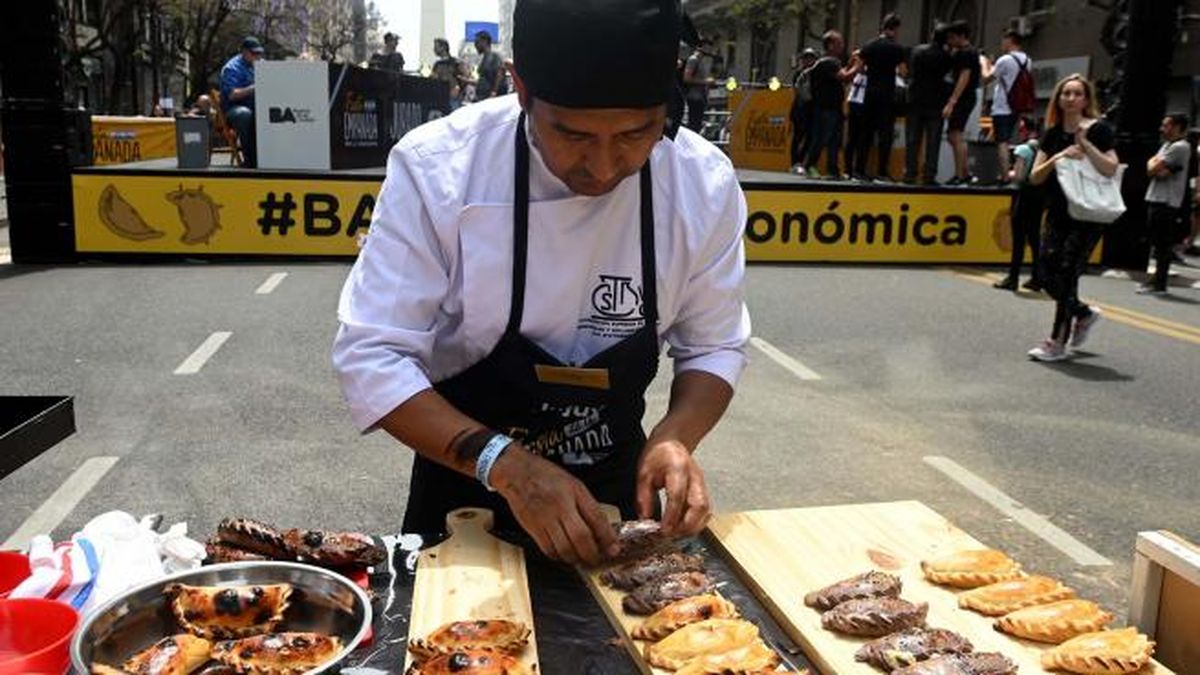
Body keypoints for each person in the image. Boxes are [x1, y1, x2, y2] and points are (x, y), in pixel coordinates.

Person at [331, 0, 750, 565]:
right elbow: (372, 355)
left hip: (616, 492)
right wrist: (505, 465)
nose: (603, 167)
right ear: (520, 88)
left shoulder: (701, 182)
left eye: (635, 134)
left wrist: (676, 436)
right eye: (573, 135)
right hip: (465, 491)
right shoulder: (440, 168)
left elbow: (714, 343)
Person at [1026, 74, 1119, 362]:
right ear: (1058, 98)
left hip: (1088, 213)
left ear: (1086, 99)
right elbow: (1034, 176)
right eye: (1065, 93)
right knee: (1045, 272)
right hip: (1058, 211)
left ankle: (1056, 341)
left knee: (1066, 274)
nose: (1070, 98)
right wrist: (1060, 157)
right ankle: (1083, 312)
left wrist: (1086, 147)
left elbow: (1111, 168)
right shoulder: (1052, 133)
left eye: (1077, 93)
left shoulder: (1099, 130)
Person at [1137, 113, 1192, 295]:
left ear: (1177, 127)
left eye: (1166, 125)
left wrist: (1155, 166)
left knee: (1162, 244)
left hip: (1166, 201)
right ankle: (1156, 280)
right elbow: (1151, 168)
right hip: (1156, 197)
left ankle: (1160, 283)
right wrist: (1155, 166)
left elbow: (1154, 168)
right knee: (1156, 242)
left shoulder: (1180, 147)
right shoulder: (1167, 145)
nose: (1162, 129)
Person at [994, 124, 1045, 291]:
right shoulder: (1043, 151)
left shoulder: (1023, 150)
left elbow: (1019, 175)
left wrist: (1009, 173)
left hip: (1023, 196)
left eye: (1022, 129)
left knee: (1019, 239)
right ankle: (1038, 276)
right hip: (1039, 196)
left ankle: (1013, 277)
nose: (1020, 131)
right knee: (1035, 238)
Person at [856, 13, 906, 180]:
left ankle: (860, 170)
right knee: (885, 135)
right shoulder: (897, 48)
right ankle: (882, 172)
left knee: (865, 133)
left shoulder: (869, 46)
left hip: (869, 94)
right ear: (895, 28)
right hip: (887, 95)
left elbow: (859, 69)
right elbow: (903, 71)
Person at [803, 32, 857, 178]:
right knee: (821, 138)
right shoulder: (829, 62)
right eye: (839, 43)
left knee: (834, 140)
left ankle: (833, 170)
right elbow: (845, 76)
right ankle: (809, 165)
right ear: (831, 45)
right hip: (826, 108)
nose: (842, 46)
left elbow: (842, 74)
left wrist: (851, 63)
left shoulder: (829, 63)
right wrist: (859, 65)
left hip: (833, 108)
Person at [982, 30, 1034, 181]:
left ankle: (1005, 175)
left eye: (1003, 40)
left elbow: (986, 78)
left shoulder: (1005, 59)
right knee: (1009, 139)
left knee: (1002, 142)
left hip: (1002, 107)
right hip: (1017, 106)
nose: (1002, 44)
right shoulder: (1027, 60)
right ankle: (1011, 172)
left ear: (1010, 40)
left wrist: (984, 63)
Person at [904, 23, 951, 184]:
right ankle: (929, 175)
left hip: (915, 100)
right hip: (935, 103)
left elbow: (910, 71)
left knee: (912, 139)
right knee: (933, 141)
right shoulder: (946, 57)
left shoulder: (917, 51)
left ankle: (910, 173)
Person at [943, 21, 981, 186]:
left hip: (963, 98)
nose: (950, 41)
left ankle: (961, 175)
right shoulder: (968, 52)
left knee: (956, 135)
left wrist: (952, 101)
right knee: (954, 136)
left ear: (961, 36)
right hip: (965, 97)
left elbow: (964, 77)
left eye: (952, 37)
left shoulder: (966, 53)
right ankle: (964, 173)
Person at [219, 36, 264, 168]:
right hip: (234, 109)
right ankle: (250, 159)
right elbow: (232, 95)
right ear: (244, 52)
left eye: (259, 53)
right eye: (254, 53)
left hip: (255, 106)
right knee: (245, 115)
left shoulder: (258, 65)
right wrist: (255, 87)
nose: (258, 56)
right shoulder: (231, 68)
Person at [788, 47, 819, 174]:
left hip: (812, 110)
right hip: (800, 109)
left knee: (810, 137)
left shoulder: (816, 72)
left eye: (811, 58)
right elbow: (801, 92)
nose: (809, 61)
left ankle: (802, 161)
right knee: (798, 136)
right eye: (806, 58)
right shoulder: (800, 73)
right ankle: (795, 162)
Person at [682, 37, 715, 133]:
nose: (710, 50)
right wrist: (706, 81)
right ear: (703, 47)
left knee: (698, 124)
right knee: (693, 125)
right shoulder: (693, 59)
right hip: (694, 97)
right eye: (709, 47)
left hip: (701, 96)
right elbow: (686, 78)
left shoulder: (701, 61)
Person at [844, 63, 868, 180]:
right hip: (857, 106)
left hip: (859, 105)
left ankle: (855, 169)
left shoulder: (863, 75)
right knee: (854, 139)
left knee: (859, 140)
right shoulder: (856, 75)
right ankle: (850, 169)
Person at [431, 38, 469, 110]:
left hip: (453, 97)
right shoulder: (437, 64)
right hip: (440, 96)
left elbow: (466, 76)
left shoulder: (455, 62)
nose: (434, 49)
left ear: (443, 47)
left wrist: (458, 88)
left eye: (436, 47)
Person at [474, 30, 507, 101]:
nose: (475, 45)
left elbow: (499, 74)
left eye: (477, 42)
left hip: (490, 98)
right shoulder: (484, 58)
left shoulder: (494, 56)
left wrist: (494, 92)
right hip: (482, 97)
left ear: (485, 41)